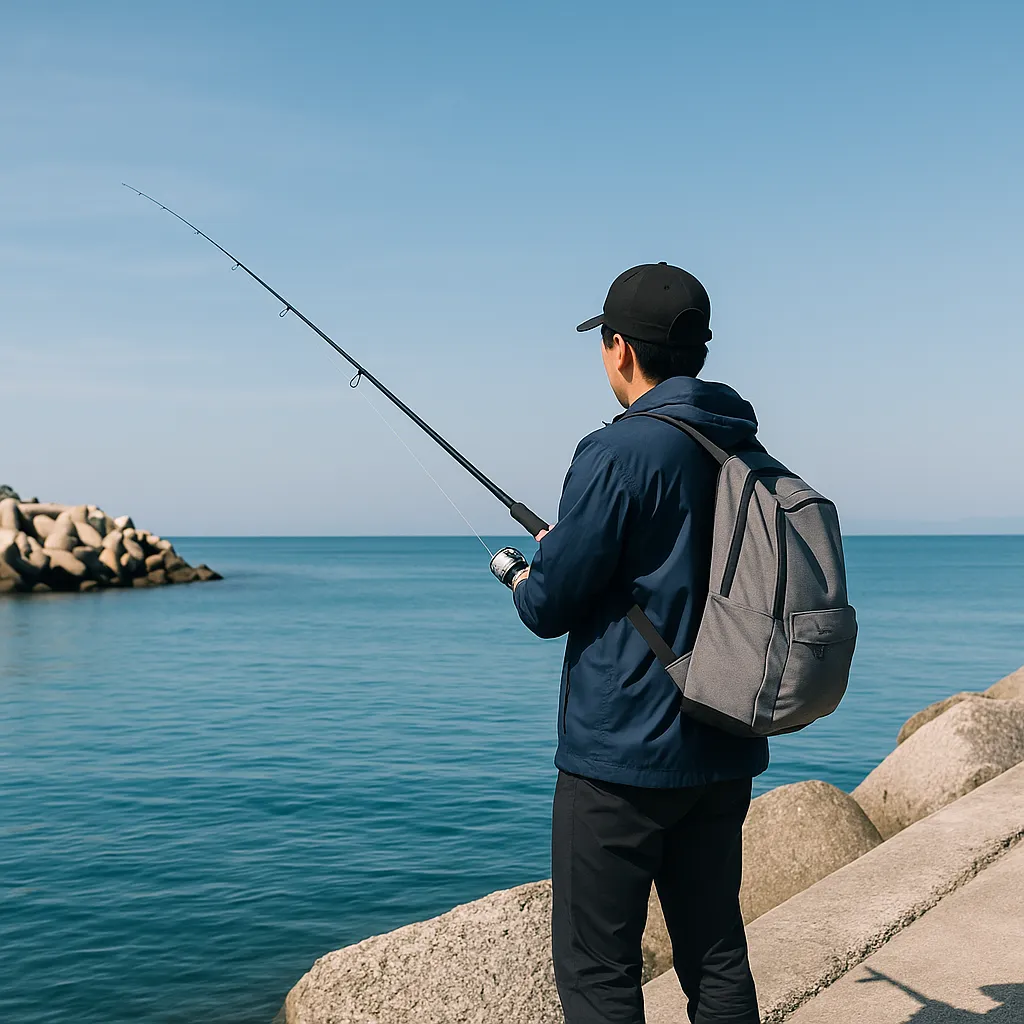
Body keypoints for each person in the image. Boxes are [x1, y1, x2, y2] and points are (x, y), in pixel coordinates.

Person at [500, 264, 768, 1024]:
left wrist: (529, 574)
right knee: (715, 955)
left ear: (619, 349)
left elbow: (550, 605)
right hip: (722, 744)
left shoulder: (617, 452)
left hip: (622, 761)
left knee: (598, 975)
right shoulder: (742, 445)